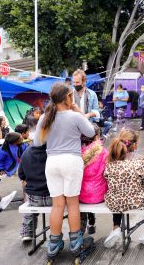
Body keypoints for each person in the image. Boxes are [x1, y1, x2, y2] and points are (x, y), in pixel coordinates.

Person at [33, 83, 95, 260]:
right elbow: (90, 132)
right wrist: (78, 111)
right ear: (67, 97)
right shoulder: (74, 116)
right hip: (71, 162)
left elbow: (37, 142)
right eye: (71, 95)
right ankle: (76, 243)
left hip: (52, 162)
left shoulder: (45, 117)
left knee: (57, 204)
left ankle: (54, 244)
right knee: (72, 203)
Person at [103, 129, 144, 248]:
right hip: (137, 201)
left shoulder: (111, 162)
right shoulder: (141, 161)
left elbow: (108, 181)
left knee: (117, 194)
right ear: (135, 145)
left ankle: (116, 228)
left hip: (115, 203)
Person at [79, 124, 108, 236]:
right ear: (96, 137)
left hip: (81, 195)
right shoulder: (104, 152)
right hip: (100, 195)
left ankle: (81, 230)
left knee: (81, 193)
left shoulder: (77, 152)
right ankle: (91, 222)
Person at [18, 144, 50, 242]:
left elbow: (21, 175)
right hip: (55, 198)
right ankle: (79, 232)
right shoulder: (53, 152)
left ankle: (27, 232)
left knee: (30, 206)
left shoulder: (26, 152)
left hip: (34, 198)